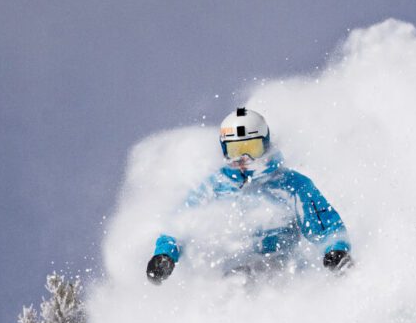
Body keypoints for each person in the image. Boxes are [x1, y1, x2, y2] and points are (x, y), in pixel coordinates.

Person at [146, 107, 352, 284]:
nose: (244, 158)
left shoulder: (291, 185)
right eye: (235, 150)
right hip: (230, 276)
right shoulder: (213, 187)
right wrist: (164, 255)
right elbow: (181, 224)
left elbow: (325, 225)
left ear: (266, 144)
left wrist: (336, 251)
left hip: (281, 272)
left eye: (251, 148)